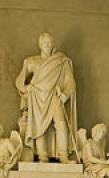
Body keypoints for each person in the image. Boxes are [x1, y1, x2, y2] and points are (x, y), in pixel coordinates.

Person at [15, 33, 77, 163]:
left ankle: (64, 156)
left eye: (50, 42)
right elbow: (19, 82)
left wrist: (64, 94)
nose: (48, 45)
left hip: (55, 96)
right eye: (45, 42)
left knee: (61, 123)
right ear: (40, 44)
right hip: (38, 97)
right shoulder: (31, 61)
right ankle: (42, 156)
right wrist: (27, 88)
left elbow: (70, 82)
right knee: (39, 126)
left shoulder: (61, 61)